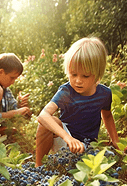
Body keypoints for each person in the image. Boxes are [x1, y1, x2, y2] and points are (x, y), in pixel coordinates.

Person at [35, 37, 120, 167]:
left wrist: (115, 140)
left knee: (108, 159)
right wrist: (68, 138)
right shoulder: (66, 92)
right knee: (48, 123)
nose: (78, 81)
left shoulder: (104, 94)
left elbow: (107, 115)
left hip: (88, 147)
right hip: (65, 142)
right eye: (73, 74)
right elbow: (43, 115)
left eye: (85, 76)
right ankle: (39, 167)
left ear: (97, 74)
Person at [0, 53, 31, 135]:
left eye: (15, 78)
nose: (13, 82)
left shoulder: (5, 88)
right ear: (1, 72)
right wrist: (15, 113)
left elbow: (12, 106)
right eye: (12, 78)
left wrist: (19, 105)